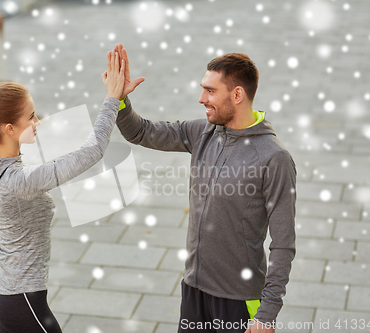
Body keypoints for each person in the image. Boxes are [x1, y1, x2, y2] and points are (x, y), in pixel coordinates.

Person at [112, 44, 296, 333]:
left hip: (238, 299)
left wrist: (267, 313)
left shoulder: (274, 158)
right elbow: (141, 132)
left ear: (237, 95)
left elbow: (283, 243)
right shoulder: (202, 133)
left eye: (210, 91)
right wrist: (120, 100)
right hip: (194, 289)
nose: (201, 99)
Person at [0, 51, 126, 332]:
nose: (37, 122)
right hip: (21, 298)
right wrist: (113, 98)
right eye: (31, 116)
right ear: (11, 128)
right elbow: (94, 151)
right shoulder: (20, 179)